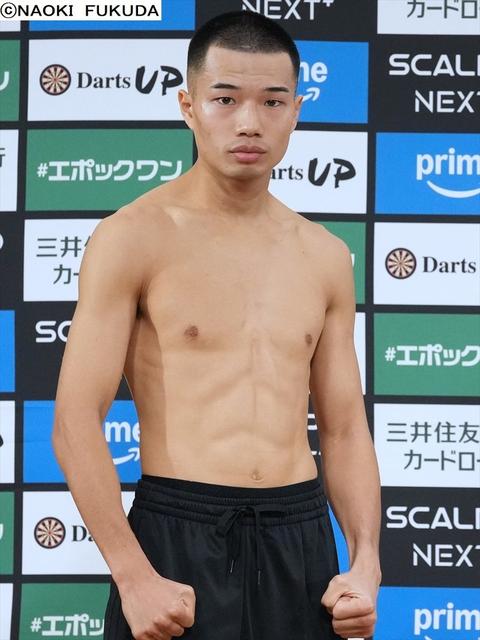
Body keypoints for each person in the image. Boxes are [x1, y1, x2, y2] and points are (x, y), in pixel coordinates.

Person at [52, 9, 382, 640]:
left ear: (296, 111)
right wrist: (133, 576)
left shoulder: (325, 255)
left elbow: (343, 429)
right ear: (188, 106)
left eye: (272, 101)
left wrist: (366, 562)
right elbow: (75, 420)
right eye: (225, 99)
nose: (249, 122)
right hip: (177, 536)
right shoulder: (132, 238)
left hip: (301, 539)